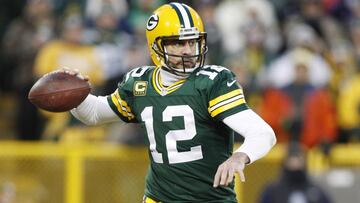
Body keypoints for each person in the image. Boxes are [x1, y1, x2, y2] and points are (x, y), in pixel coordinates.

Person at [67, 2, 276, 202]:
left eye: (192, 41)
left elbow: (263, 133)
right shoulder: (140, 83)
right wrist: (73, 95)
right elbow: (93, 113)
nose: (188, 50)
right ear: (156, 45)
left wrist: (240, 156)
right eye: (178, 42)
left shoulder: (212, 82)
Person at [259, 142, 332, 203]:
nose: (295, 162)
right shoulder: (273, 191)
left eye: (298, 158)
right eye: (291, 158)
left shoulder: (315, 191)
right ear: (285, 162)